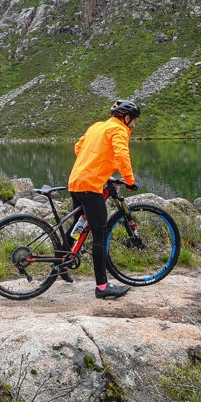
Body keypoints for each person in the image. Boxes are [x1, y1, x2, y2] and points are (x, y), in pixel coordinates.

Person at [67, 99, 142, 300]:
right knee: (100, 235)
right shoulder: (118, 130)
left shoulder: (97, 127)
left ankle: (64, 262)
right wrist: (130, 180)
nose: (134, 125)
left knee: (79, 226)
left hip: (76, 181)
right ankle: (102, 287)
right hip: (90, 186)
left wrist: (98, 166)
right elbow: (122, 154)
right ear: (126, 118)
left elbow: (78, 147)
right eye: (133, 121)